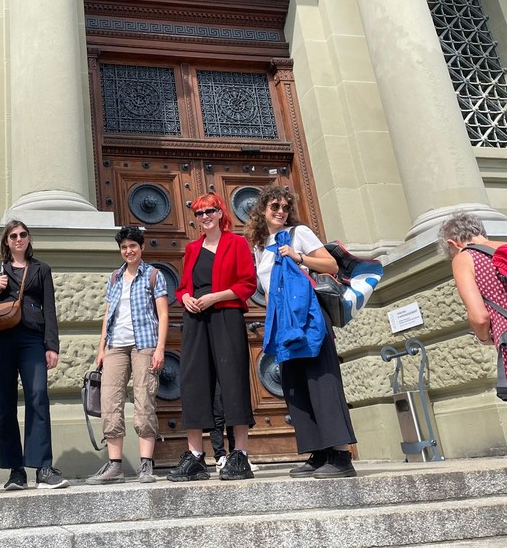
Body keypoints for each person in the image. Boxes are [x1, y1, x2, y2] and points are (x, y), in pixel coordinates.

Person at [245, 186, 357, 478]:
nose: (280, 211)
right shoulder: (259, 246)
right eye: (274, 207)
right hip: (283, 320)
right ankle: (318, 452)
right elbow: (268, 289)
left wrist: (299, 257)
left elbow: (331, 264)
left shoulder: (299, 233)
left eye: (284, 207)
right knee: (294, 384)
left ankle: (342, 455)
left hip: (308, 316)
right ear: (262, 210)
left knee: (321, 379)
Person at [170, 193, 257, 482]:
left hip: (226, 315)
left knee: (232, 381)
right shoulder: (192, 249)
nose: (204, 216)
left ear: (221, 213)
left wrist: (214, 298)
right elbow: (182, 287)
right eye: (199, 213)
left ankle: (240, 455)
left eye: (210, 211)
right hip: (196, 318)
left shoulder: (237, 243)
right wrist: (186, 299)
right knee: (193, 382)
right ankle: (196, 457)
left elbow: (247, 283)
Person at [0, 220, 68, 490]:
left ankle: (43, 467)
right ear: (6, 241)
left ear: (29, 238)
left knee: (37, 395)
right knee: (5, 402)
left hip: (32, 338)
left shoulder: (41, 269)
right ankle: (15, 470)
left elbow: (50, 308)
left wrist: (51, 346)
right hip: (2, 339)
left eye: (22, 235)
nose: (18, 239)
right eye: (13, 236)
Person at [86, 226, 169, 485]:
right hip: (116, 347)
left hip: (144, 345)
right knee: (110, 403)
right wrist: (102, 349)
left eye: (133, 246)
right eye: (124, 247)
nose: (128, 251)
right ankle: (115, 466)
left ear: (141, 247)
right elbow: (108, 315)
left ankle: (146, 465)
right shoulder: (114, 278)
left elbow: (163, 314)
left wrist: (160, 348)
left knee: (144, 401)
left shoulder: (154, 275)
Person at [437, 212, 507, 393]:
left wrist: (485, 339)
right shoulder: (503, 247)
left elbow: (480, 316)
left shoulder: (465, 258)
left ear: (452, 244)